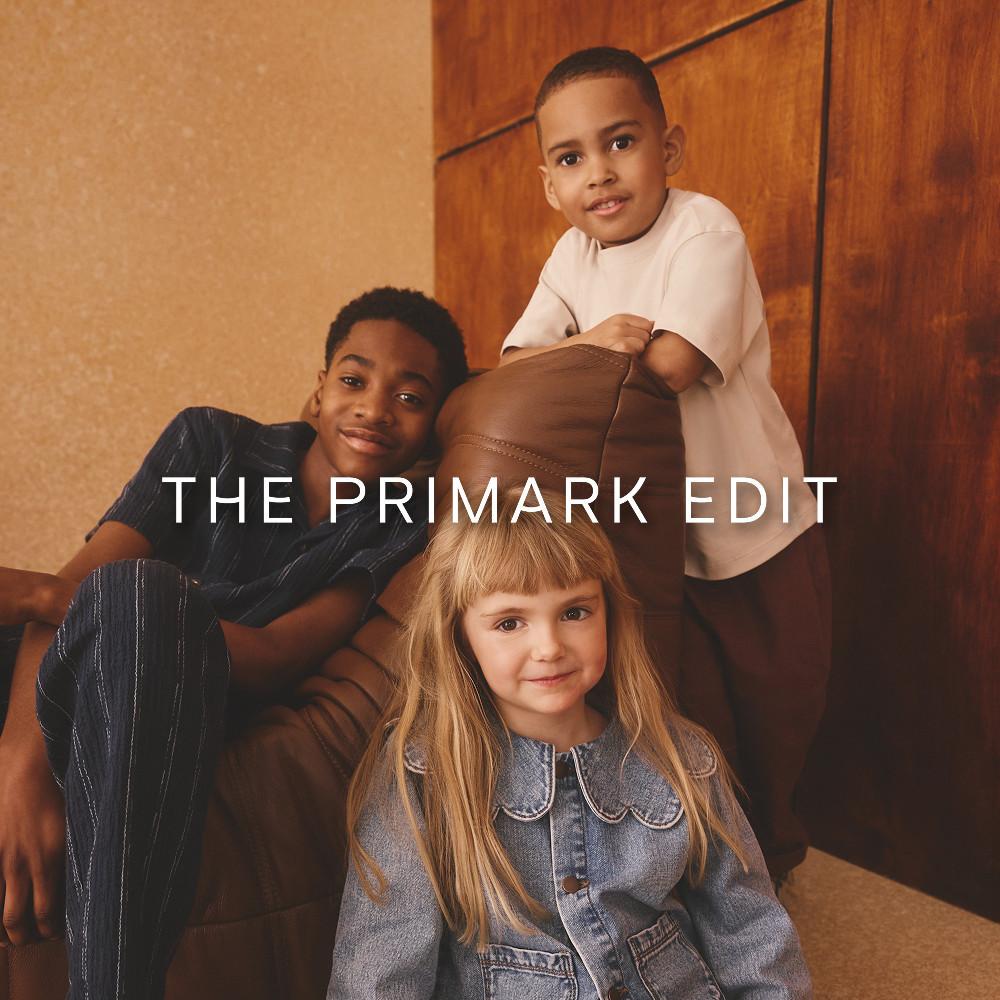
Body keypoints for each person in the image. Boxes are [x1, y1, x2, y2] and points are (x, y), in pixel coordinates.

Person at [0, 286, 467, 1000]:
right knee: (127, 592)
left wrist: (39, 594)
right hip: (56, 684)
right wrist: (20, 764)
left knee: (146, 595)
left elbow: (277, 652)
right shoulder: (209, 443)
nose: (374, 409)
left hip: (176, 696)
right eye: (353, 380)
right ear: (318, 391)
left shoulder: (397, 524)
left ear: (436, 422)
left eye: (411, 397)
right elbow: (72, 599)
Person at [498, 46, 831, 880]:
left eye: (621, 143)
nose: (600, 174)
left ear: (669, 149)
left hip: (755, 529)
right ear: (551, 185)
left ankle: (776, 866)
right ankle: (717, 868)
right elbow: (513, 367)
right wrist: (589, 343)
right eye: (572, 159)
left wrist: (574, 359)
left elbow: (669, 367)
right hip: (655, 541)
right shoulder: (571, 260)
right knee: (692, 717)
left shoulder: (703, 227)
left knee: (775, 705)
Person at [328, 490, 811, 999]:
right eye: (510, 622)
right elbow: (382, 970)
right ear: (461, 637)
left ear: (608, 614)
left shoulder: (679, 758)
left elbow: (751, 928)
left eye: (575, 612)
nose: (550, 647)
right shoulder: (424, 777)